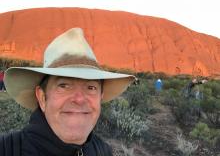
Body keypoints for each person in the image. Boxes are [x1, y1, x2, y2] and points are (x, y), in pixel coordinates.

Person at [0, 28, 135, 156]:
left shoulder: (102, 151)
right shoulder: (7, 149)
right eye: (64, 85)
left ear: (100, 98)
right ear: (42, 98)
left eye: (91, 87)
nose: (79, 99)